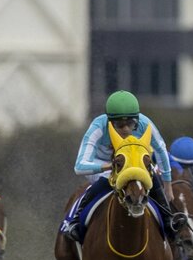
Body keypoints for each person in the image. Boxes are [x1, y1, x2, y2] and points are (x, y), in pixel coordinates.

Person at [60, 90, 175, 243]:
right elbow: (79, 166)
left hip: (132, 164)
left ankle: (169, 220)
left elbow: (161, 150)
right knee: (109, 177)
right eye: (119, 125)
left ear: (137, 120)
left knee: (150, 174)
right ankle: (74, 221)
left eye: (131, 124)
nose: (126, 130)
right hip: (102, 164)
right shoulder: (98, 127)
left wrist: (168, 185)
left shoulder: (145, 123)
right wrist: (109, 167)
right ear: (109, 122)